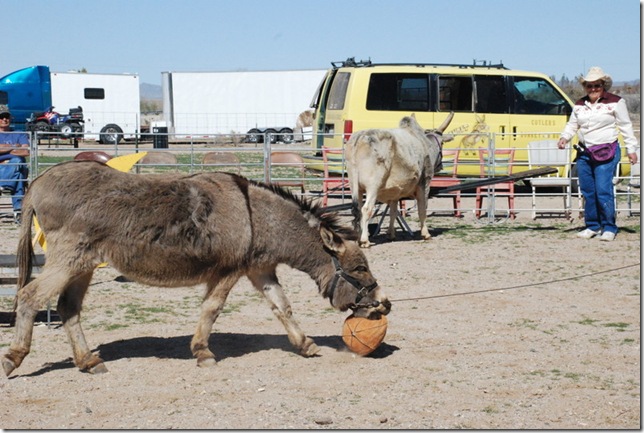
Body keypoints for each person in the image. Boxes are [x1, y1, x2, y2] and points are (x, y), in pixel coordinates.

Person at [557, 67, 639, 241]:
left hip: (606, 151)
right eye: (589, 86)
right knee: (588, 190)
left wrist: (631, 149)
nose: (593, 89)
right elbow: (572, 125)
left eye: (597, 85)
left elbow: (625, 126)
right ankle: (592, 225)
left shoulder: (616, 102)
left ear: (603, 86)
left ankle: (609, 226)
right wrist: (564, 137)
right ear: (585, 87)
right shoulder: (579, 104)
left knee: (603, 189)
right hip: (584, 152)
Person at [0, 105, 30, 224]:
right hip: (3, 167)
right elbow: (20, 150)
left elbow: (25, 151)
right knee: (19, 173)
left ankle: (4, 185)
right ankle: (18, 211)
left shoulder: (19, 133)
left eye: (6, 116)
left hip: (10, 166)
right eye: (1, 117)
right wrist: (14, 147)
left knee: (17, 162)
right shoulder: (18, 137)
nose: (4, 119)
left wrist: (4, 150)